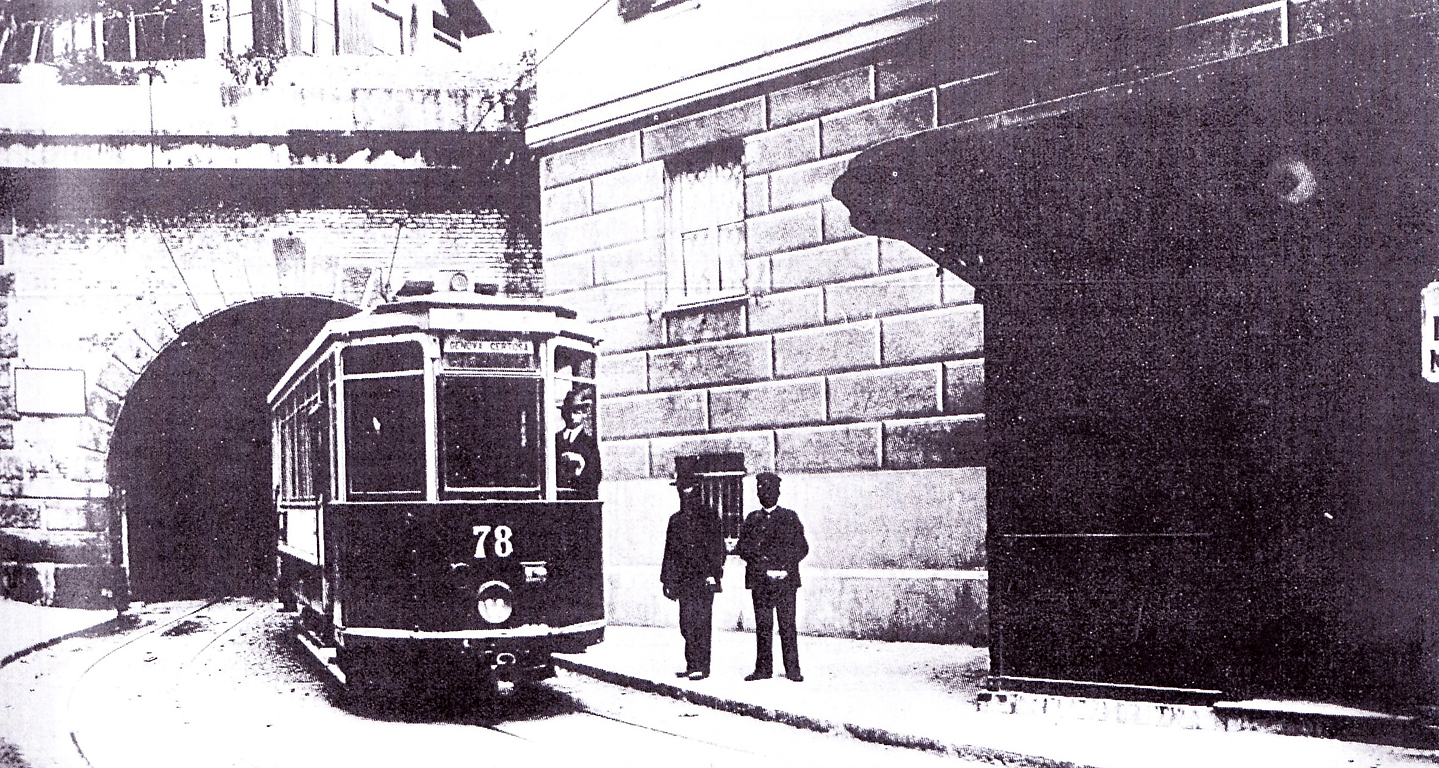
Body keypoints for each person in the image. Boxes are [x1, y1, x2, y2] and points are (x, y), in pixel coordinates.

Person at [735, 471, 809, 682]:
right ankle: (763, 669)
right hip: (761, 582)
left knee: (787, 626)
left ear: (778, 492)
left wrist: (784, 568)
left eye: (769, 489)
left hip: (785, 581)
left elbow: (801, 547)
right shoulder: (751, 520)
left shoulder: (790, 518)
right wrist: (764, 569)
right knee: (763, 626)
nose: (765, 493)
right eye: (760, 489)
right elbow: (743, 549)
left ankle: (792, 669)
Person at [660, 463, 725, 681]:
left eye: (688, 487)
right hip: (683, 580)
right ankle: (691, 663)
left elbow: (718, 549)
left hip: (703, 578)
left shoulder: (709, 517)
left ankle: (701, 666)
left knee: (701, 622)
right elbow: (669, 552)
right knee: (686, 623)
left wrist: (713, 574)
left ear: (696, 489)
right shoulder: (675, 520)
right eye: (681, 488)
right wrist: (667, 581)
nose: (684, 492)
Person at [555, 388, 601, 498]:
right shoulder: (555, 440)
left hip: (581, 504)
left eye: (576, 412)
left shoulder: (589, 443)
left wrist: (581, 466)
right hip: (559, 502)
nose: (571, 416)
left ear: (583, 414)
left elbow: (595, 477)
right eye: (568, 411)